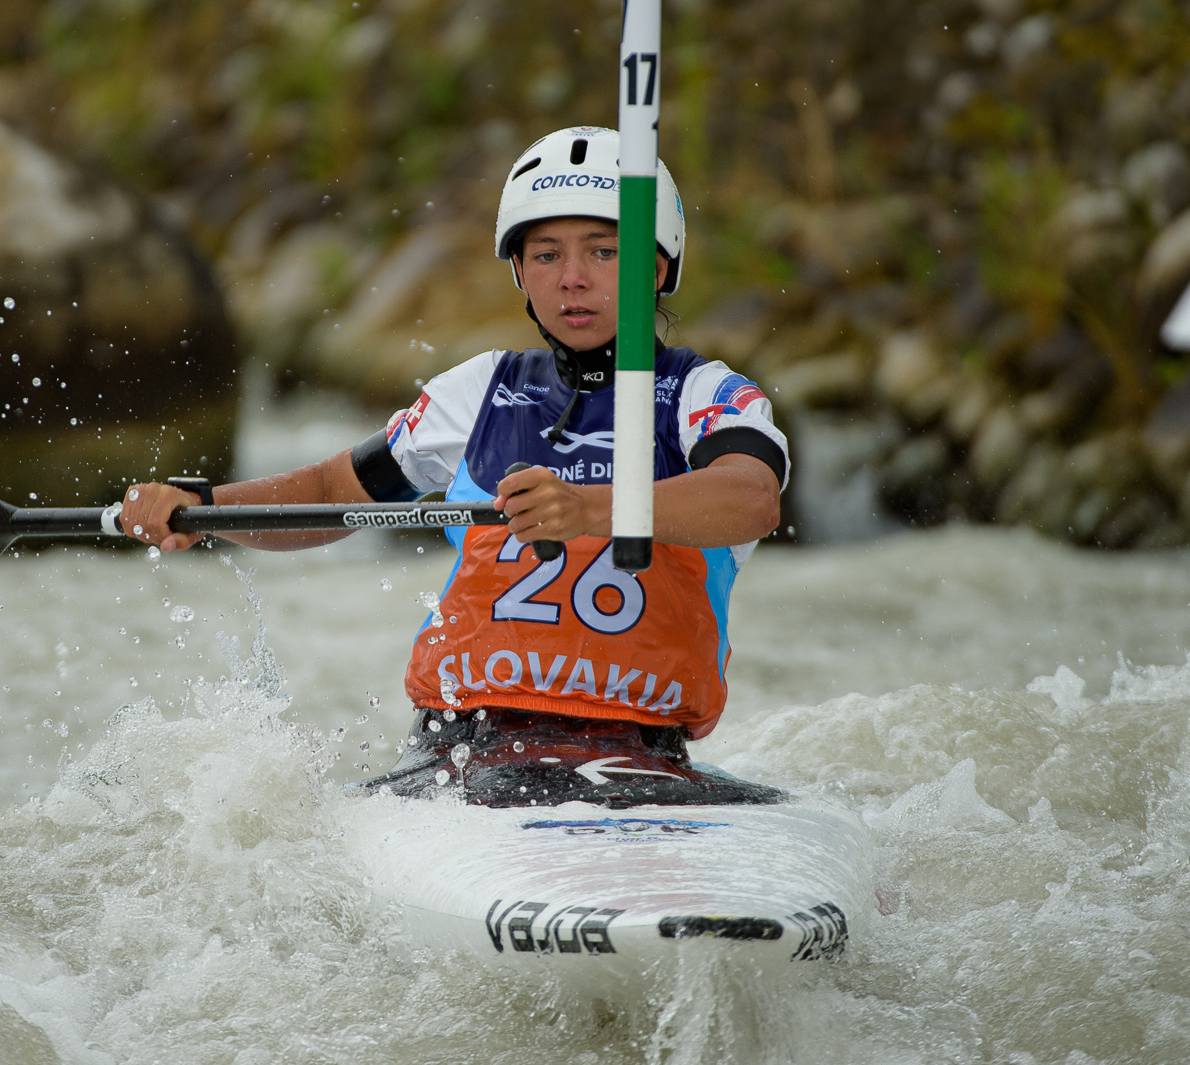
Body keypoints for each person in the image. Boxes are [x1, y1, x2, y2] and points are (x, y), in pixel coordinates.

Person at [119, 126, 787, 786]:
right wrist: (202, 506)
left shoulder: (706, 396)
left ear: (657, 267)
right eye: (547, 255)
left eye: (605, 252)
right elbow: (333, 490)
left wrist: (588, 507)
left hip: (640, 758)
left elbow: (753, 497)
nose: (574, 278)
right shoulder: (479, 391)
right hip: (460, 755)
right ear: (520, 272)